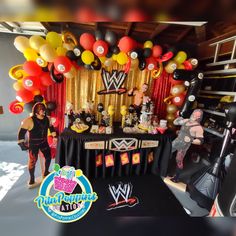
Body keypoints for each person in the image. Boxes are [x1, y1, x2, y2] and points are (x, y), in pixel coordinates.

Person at [17, 102, 57, 188]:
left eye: (44, 109)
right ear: (36, 111)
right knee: (32, 162)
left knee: (48, 157)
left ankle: (46, 172)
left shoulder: (47, 119)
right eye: (41, 110)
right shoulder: (29, 120)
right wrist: (21, 143)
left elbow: (51, 127)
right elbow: (21, 133)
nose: (43, 111)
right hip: (33, 144)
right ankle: (32, 178)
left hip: (44, 142)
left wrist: (54, 136)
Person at [171, 109, 204, 183]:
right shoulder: (186, 120)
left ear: (199, 117)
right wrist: (179, 116)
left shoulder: (198, 128)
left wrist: (191, 140)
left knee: (179, 160)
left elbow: (201, 141)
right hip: (176, 141)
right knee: (167, 153)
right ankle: (166, 170)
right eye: (194, 113)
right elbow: (175, 122)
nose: (194, 115)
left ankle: (176, 177)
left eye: (197, 115)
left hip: (184, 146)